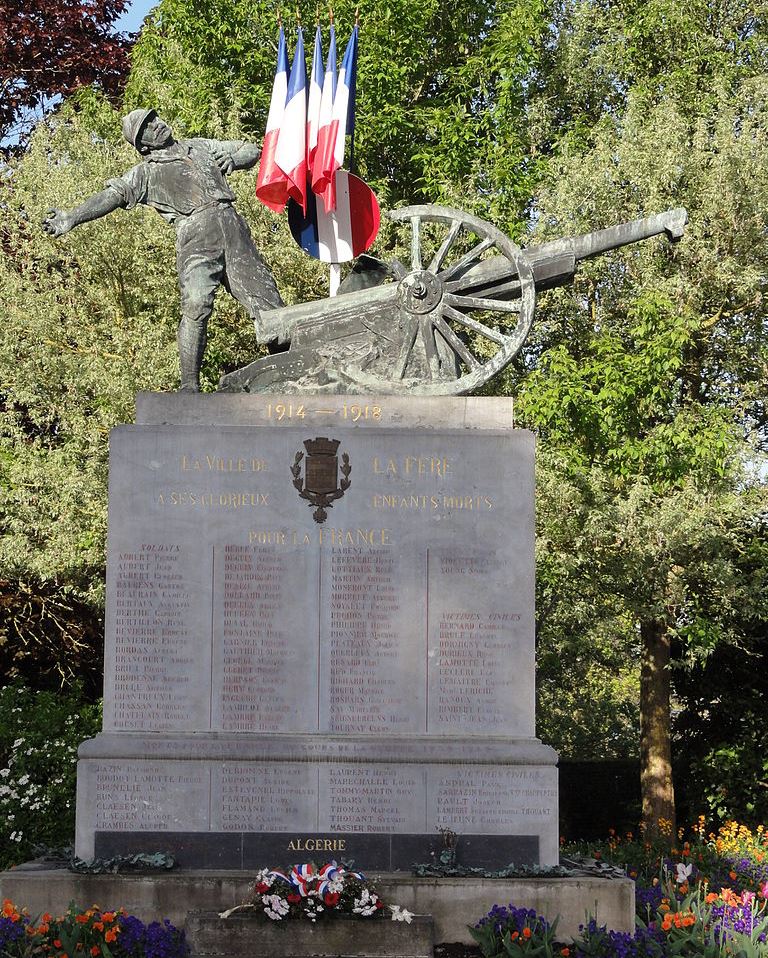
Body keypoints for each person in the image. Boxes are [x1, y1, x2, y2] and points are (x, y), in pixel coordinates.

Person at [43, 109, 285, 391]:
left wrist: (233, 158)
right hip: (196, 234)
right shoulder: (145, 173)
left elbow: (251, 150)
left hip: (232, 226)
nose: (156, 125)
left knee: (267, 300)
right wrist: (71, 217)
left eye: (154, 119)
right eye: (147, 127)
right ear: (143, 145)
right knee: (196, 303)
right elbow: (111, 195)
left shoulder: (200, 146)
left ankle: (285, 369)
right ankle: (189, 385)